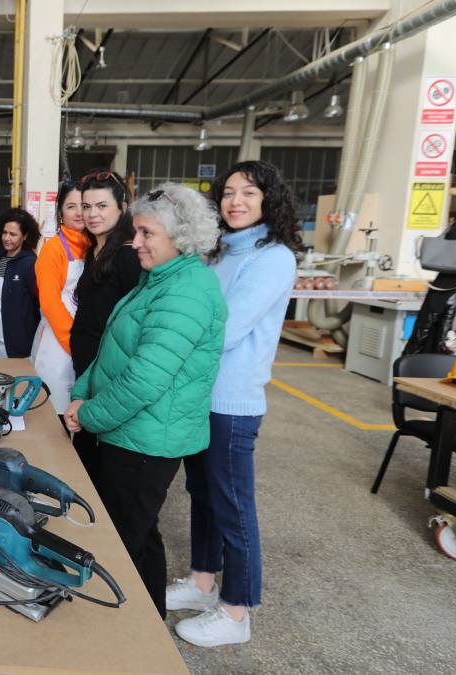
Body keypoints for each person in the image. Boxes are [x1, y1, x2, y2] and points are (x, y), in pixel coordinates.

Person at [64, 182, 227, 619]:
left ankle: (126, 638)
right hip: (129, 432)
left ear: (181, 236)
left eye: (146, 234)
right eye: (136, 232)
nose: (134, 243)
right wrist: (82, 392)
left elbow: (144, 379)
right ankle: (150, 626)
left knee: (120, 544)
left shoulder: (188, 291)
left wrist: (91, 414)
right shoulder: (160, 279)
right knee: (140, 536)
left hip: (146, 442)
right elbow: (113, 348)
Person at [167, 161, 299, 648]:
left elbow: (227, 326)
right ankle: (204, 583)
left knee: (234, 507)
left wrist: (170, 340)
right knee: (202, 495)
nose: (235, 201)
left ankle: (237, 611)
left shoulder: (273, 257)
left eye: (248, 192)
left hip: (233, 401)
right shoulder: (219, 253)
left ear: (269, 200)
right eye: (228, 192)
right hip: (200, 394)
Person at [69, 171, 141, 487]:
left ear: (122, 208)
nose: (92, 214)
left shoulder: (128, 254)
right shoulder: (93, 250)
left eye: (101, 206)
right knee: (85, 456)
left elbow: (137, 320)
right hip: (87, 367)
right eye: (86, 206)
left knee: (104, 463)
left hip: (110, 370)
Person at [32, 179, 90, 414]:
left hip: (84, 338)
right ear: (60, 212)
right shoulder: (53, 249)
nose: (79, 213)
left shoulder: (93, 245)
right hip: (59, 341)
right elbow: (49, 302)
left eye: (84, 206)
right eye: (71, 206)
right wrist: (73, 343)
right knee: (56, 410)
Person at [0, 208, 41, 358]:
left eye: (13, 234)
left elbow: (38, 304)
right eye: (4, 232)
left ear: (25, 236)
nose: (6, 238)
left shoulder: (30, 264)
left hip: (19, 343)